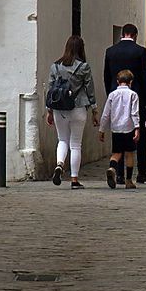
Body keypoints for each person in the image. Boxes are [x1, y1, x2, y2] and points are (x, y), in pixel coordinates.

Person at [103, 23, 146, 185]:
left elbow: (106, 76)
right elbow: (145, 76)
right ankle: (141, 172)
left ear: (123, 34)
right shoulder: (140, 51)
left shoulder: (110, 51)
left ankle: (118, 173)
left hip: (115, 95)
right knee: (138, 136)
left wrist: (111, 94)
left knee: (118, 135)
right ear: (135, 35)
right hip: (136, 97)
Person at [46, 35, 99, 189]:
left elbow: (51, 89)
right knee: (75, 144)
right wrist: (95, 110)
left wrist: (49, 110)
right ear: (81, 49)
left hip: (59, 108)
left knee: (62, 140)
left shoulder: (55, 66)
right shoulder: (83, 67)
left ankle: (59, 164)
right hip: (78, 108)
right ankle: (74, 179)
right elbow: (90, 89)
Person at [98, 69, 141, 189]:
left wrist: (101, 129)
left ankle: (112, 167)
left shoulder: (112, 95)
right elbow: (134, 113)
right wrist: (137, 128)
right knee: (129, 154)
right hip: (128, 128)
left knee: (116, 153)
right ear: (130, 82)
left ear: (118, 82)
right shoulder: (133, 95)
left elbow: (106, 113)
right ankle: (128, 181)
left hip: (116, 128)